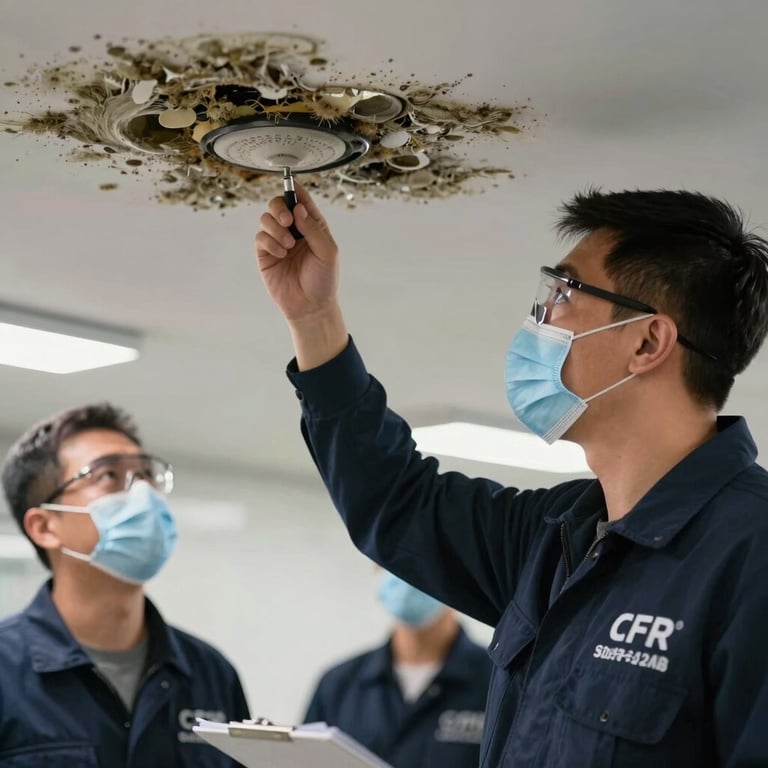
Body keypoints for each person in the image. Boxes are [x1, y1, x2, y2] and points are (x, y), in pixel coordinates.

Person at [255, 186, 768, 767]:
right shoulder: (555, 537)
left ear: (648, 341)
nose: (539, 316)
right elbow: (395, 501)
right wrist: (315, 318)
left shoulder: (750, 555)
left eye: (565, 292)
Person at [0, 403, 250, 767]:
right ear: (44, 526)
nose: (143, 494)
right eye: (108, 476)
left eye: (146, 475)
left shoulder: (210, 673)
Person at [304, 570, 491, 768]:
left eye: (423, 561)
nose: (407, 574)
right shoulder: (338, 684)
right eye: (392, 562)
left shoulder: (498, 684)